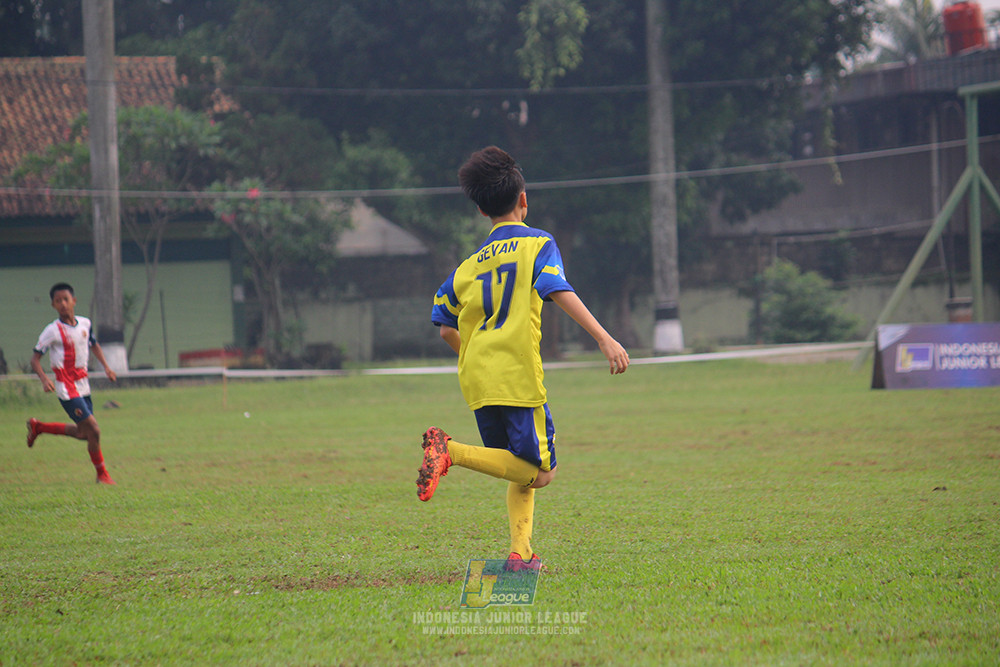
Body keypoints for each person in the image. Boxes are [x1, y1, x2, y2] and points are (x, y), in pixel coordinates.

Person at [416, 146, 629, 571]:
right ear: (524, 199)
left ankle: (521, 555)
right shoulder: (538, 244)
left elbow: (443, 323)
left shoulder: (467, 266)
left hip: (477, 379)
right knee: (542, 472)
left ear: (481, 210)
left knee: (518, 467)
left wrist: (475, 356)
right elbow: (556, 289)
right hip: (516, 374)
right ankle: (450, 451)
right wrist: (604, 338)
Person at [26, 282, 118, 485]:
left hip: (83, 386)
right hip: (66, 389)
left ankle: (38, 427)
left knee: (84, 434)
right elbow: (35, 359)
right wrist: (44, 379)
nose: (63, 304)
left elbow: (93, 345)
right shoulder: (52, 330)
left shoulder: (85, 324)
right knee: (94, 430)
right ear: (53, 305)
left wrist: (107, 367)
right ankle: (102, 475)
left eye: (66, 299)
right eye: (58, 301)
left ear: (74, 301)